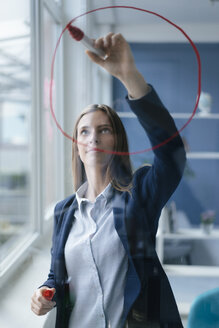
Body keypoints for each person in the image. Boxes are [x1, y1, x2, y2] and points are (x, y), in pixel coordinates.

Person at [31, 32, 186, 328]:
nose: (94, 137)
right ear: (76, 144)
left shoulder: (138, 194)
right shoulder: (64, 211)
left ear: (117, 140)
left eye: (104, 129)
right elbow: (58, 276)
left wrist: (129, 76)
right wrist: (43, 292)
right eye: (85, 131)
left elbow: (172, 154)